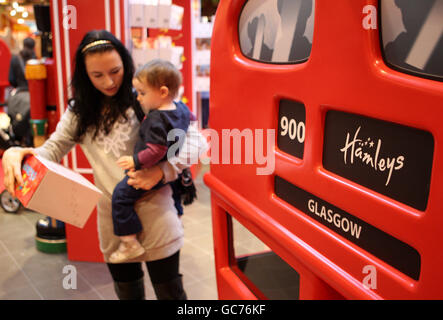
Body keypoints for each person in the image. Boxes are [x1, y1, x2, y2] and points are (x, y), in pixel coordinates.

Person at [2, 30, 206, 300]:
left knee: (170, 293)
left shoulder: (146, 97)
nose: (109, 81)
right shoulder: (79, 113)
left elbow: (196, 141)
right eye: (97, 75)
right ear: (84, 75)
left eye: (115, 71)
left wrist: (162, 171)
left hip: (157, 213)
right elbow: (52, 149)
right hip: (114, 221)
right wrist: (17, 152)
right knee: (128, 293)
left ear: (126, 64)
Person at [109, 59, 194, 263]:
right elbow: (192, 120)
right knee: (174, 195)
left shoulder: (157, 119)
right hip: (172, 169)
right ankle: (179, 220)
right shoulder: (180, 108)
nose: (138, 98)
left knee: (121, 196)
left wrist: (135, 161)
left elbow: (156, 150)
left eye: (142, 93)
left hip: (150, 169)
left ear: (163, 92)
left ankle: (129, 243)